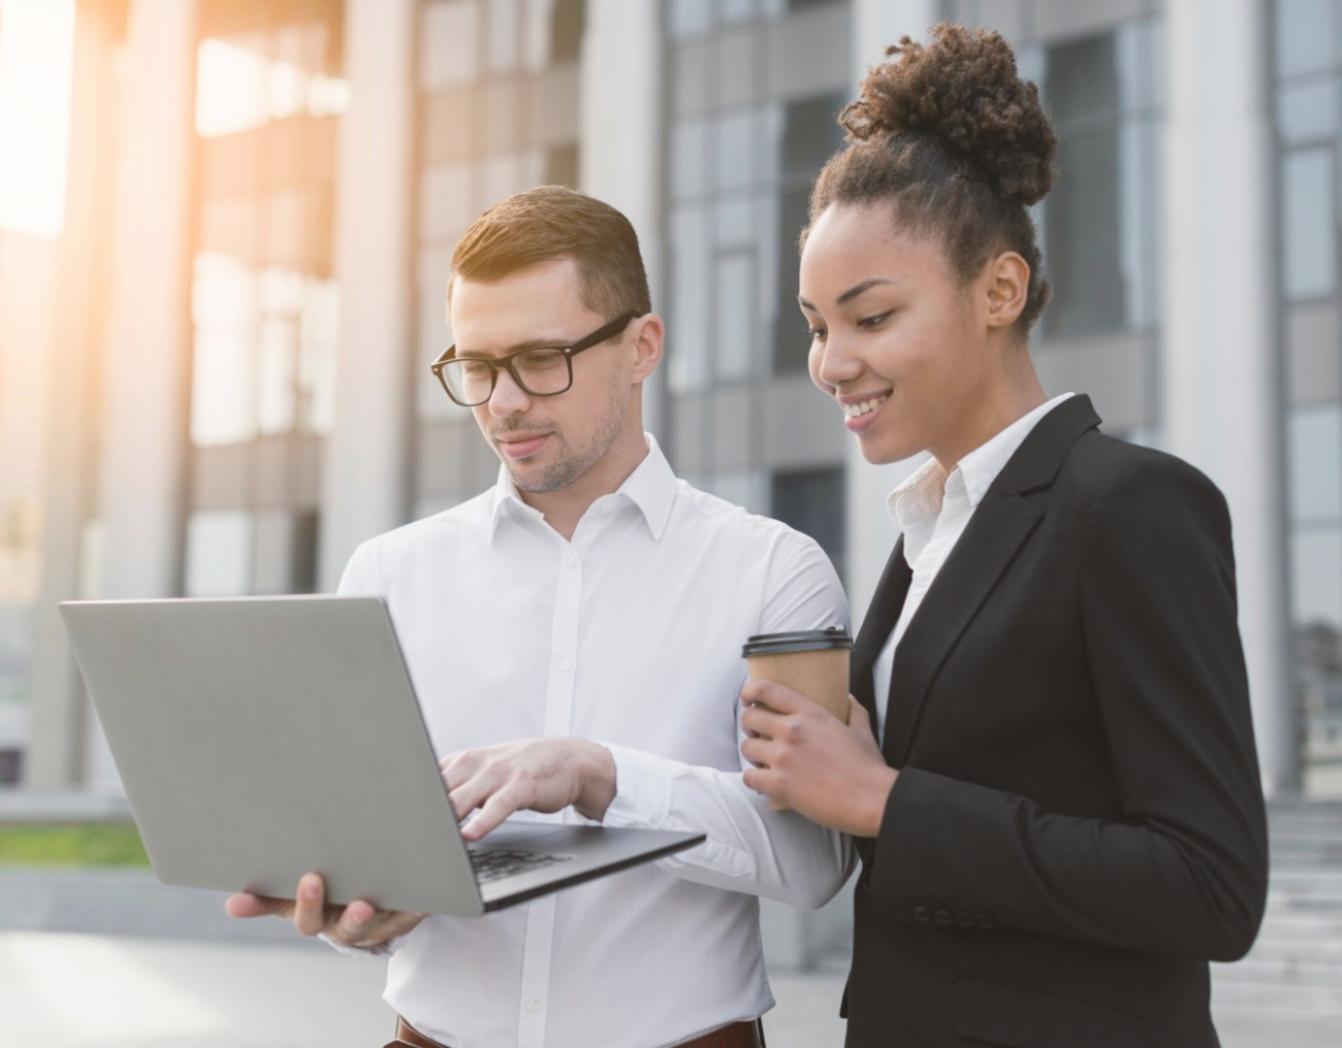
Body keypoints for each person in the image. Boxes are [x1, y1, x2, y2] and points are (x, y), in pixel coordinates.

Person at [736, 24, 1269, 1048]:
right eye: (815, 325)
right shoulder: (926, 534)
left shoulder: (1127, 507)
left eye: (870, 317)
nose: (831, 362)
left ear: (999, 290)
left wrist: (887, 801)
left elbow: (1211, 884)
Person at [226, 186, 851, 1048]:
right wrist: (357, 916)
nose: (504, 402)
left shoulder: (772, 570)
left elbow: (814, 865)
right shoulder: (387, 575)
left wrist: (602, 775)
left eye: (540, 359)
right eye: (478, 366)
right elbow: (362, 851)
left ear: (642, 346)